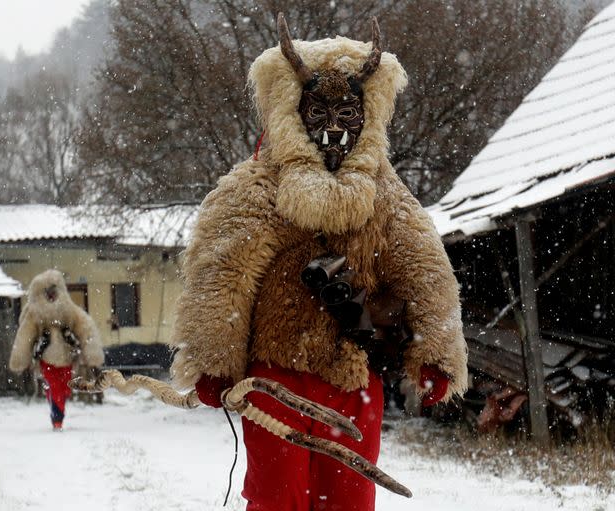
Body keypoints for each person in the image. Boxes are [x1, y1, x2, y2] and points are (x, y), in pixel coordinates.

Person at [170, 14, 467, 511]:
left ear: (367, 112)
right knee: (276, 499)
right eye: (318, 113)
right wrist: (212, 359)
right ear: (293, 111)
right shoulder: (255, 189)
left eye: (347, 114)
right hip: (274, 380)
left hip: (354, 378)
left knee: (348, 500)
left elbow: (425, 272)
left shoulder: (386, 197)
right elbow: (222, 276)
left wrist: (435, 355)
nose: (332, 130)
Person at [9, 270, 105, 430]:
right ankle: (57, 419)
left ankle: (56, 411)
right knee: (55, 388)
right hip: (46, 359)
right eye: (48, 293)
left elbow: (85, 328)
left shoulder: (70, 311)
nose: (51, 297)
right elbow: (25, 335)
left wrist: (92, 353)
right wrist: (20, 358)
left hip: (67, 359)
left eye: (53, 292)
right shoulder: (35, 313)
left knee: (63, 389)